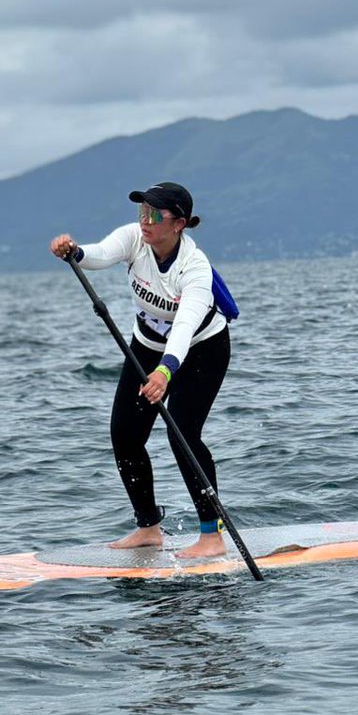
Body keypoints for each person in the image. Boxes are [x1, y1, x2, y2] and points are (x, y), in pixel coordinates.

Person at [49, 181, 231, 559]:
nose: (144, 221)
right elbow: (98, 254)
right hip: (147, 346)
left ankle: (211, 536)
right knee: (125, 434)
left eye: (154, 214)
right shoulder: (135, 239)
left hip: (202, 350)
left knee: (182, 431)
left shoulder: (194, 269)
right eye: (141, 212)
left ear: (179, 223)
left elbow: (183, 328)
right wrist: (74, 252)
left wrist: (165, 373)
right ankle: (148, 528)